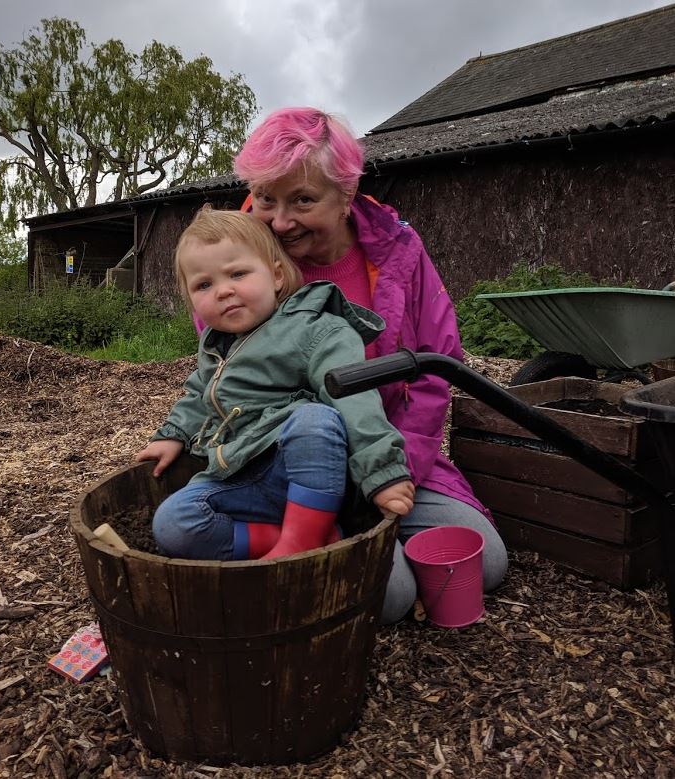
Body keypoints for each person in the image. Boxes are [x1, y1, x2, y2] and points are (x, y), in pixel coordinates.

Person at [207, 106, 508, 623]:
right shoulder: (236, 263)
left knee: (484, 562)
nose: (280, 222)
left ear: (346, 195)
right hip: (291, 464)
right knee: (388, 599)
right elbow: (231, 379)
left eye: (303, 200)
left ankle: (349, 538)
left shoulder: (400, 253)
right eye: (267, 200)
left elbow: (435, 372)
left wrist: (397, 469)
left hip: (389, 450)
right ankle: (316, 532)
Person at [136, 206, 414, 562]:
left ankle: (299, 542)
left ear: (277, 276)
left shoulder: (313, 328)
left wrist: (384, 471)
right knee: (173, 525)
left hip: (306, 472)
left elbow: (355, 398)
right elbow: (199, 394)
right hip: (240, 472)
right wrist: (173, 433)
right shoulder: (217, 343)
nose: (223, 291)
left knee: (315, 419)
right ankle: (305, 539)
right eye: (204, 285)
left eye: (237, 273)